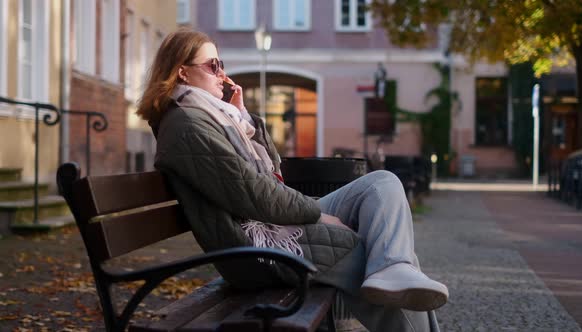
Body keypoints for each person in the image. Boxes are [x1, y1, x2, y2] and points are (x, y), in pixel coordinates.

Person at [137, 29, 448, 332]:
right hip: (252, 249)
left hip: (270, 225)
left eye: (222, 64)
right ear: (182, 73)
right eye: (212, 65)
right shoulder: (187, 125)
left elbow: (274, 176)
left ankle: (396, 268)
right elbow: (256, 195)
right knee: (365, 252)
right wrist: (318, 215)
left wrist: (246, 119)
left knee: (381, 186)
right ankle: (392, 270)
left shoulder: (213, 117)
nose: (222, 74)